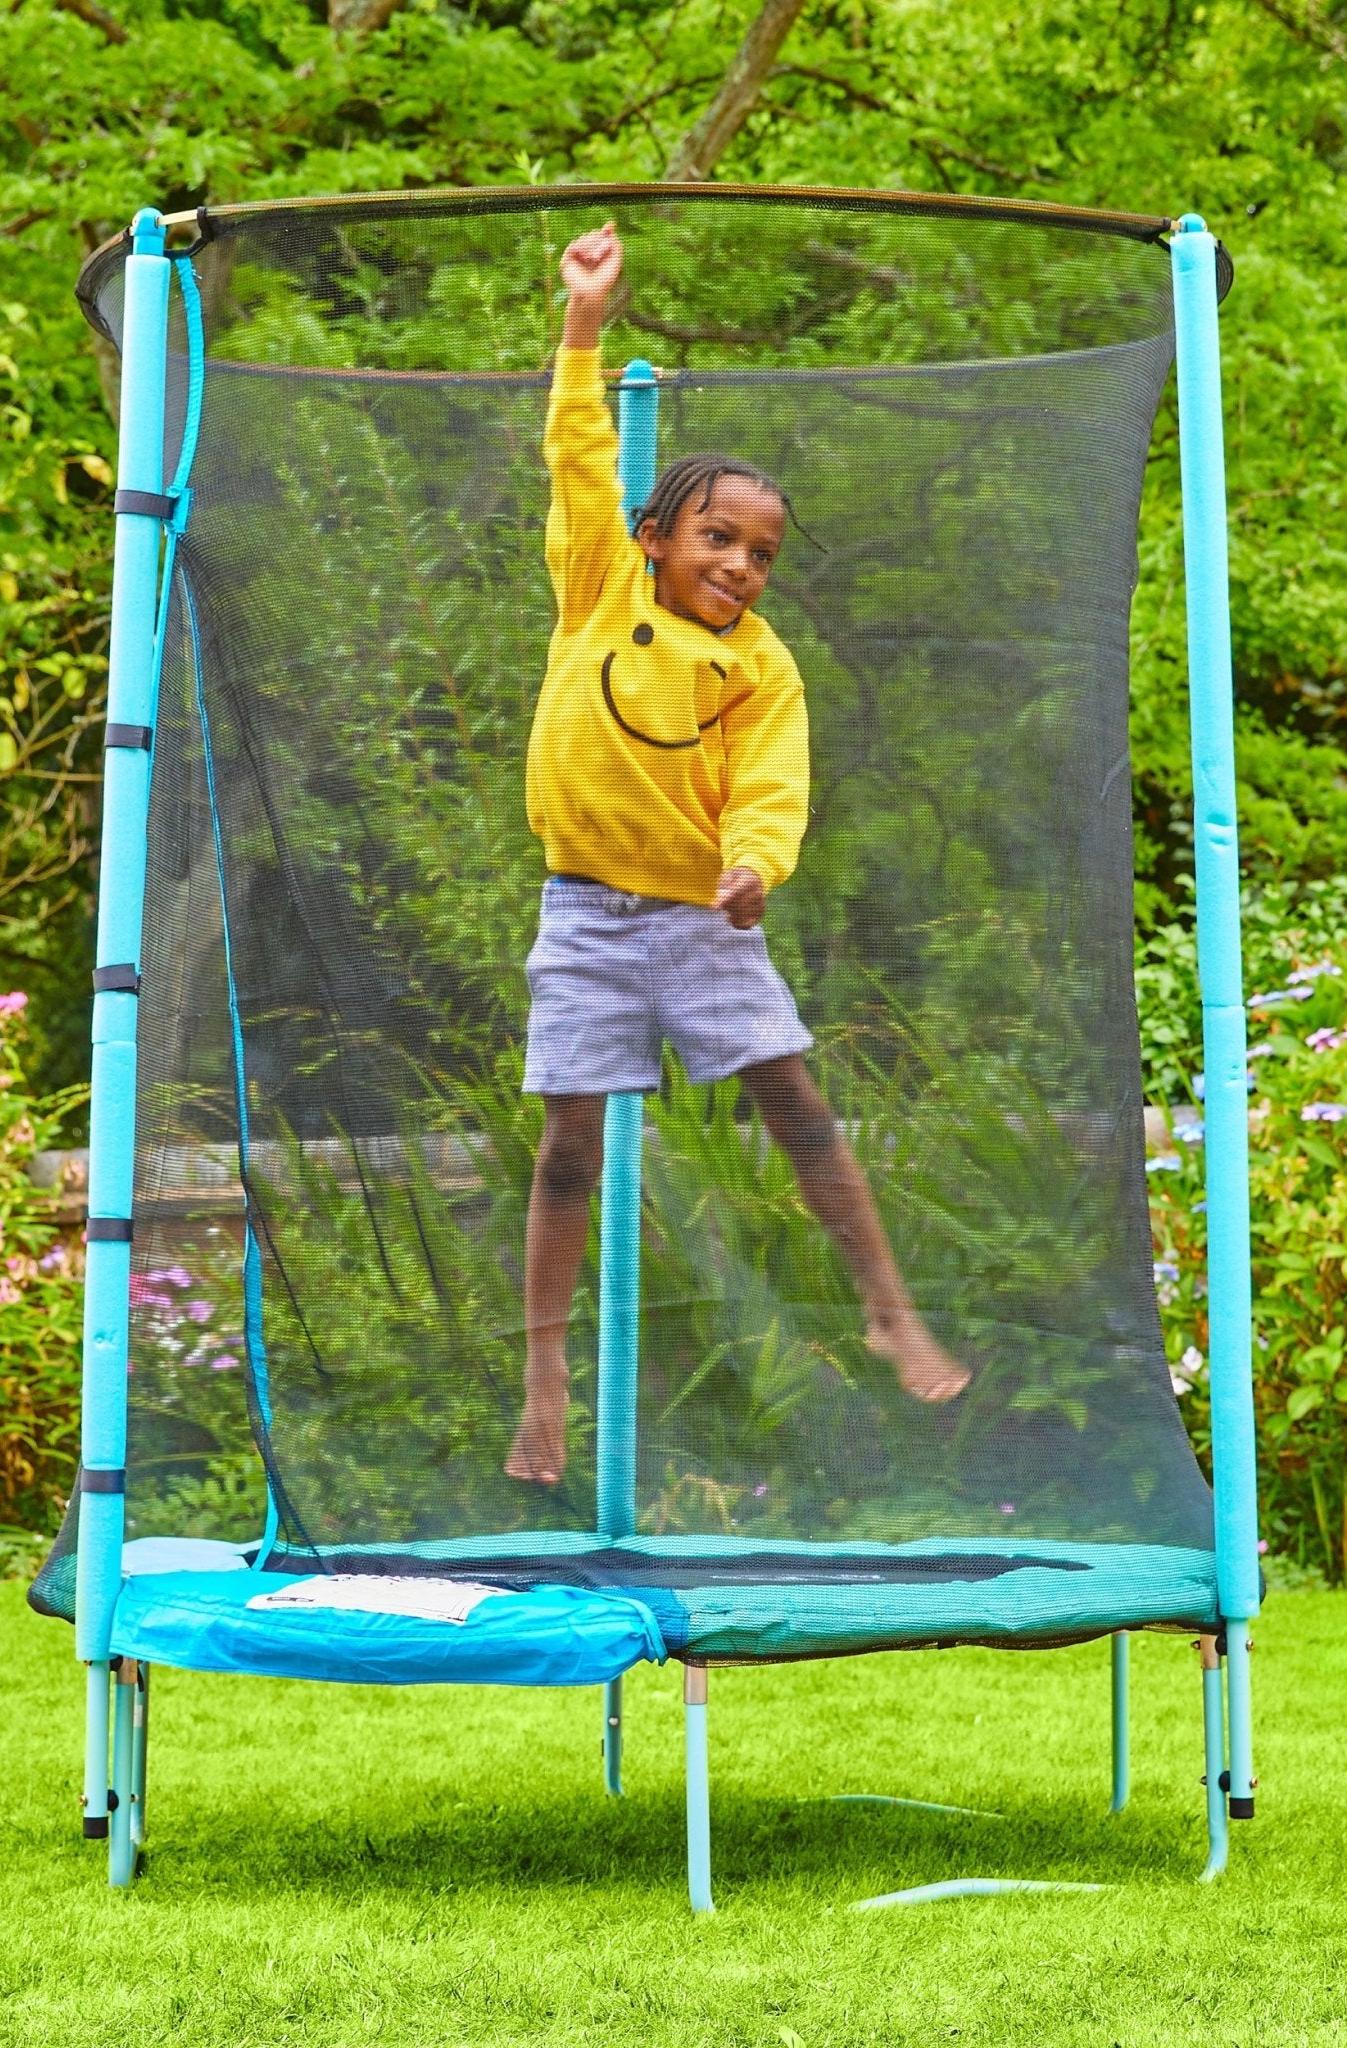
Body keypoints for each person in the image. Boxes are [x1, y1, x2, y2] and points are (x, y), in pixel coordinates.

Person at [506, 222, 969, 1487]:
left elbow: (772, 786)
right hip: (584, 914)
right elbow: (575, 452)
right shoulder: (599, 584)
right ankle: (543, 1375)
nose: (740, 566)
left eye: (760, 554)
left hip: (702, 919)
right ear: (655, 534)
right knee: (567, 1144)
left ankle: (886, 1311)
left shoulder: (761, 670)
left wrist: (755, 866)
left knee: (795, 1103)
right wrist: (583, 323)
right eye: (718, 538)